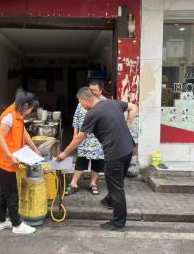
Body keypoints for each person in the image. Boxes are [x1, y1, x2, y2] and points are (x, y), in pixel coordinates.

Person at [57, 87, 138, 231]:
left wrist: (64, 154)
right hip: (128, 149)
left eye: (81, 103)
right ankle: (109, 200)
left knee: (117, 187)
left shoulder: (92, 113)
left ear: (86, 100)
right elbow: (133, 107)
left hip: (115, 154)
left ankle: (118, 223)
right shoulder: (113, 103)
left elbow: (79, 138)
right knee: (116, 183)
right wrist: (128, 126)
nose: (81, 106)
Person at [0, 88, 40, 235]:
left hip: (8, 158)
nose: (31, 112)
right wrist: (10, 156)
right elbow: (0, 137)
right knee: (12, 193)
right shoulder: (9, 116)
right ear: (26, 106)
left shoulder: (18, 114)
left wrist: (34, 147)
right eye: (32, 109)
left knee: (4, 191)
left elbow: (23, 131)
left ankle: (0, 221)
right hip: (3, 159)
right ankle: (17, 225)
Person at [66, 81, 106, 196]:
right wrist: (75, 135)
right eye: (90, 89)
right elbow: (76, 118)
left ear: (100, 91)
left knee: (97, 161)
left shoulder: (104, 103)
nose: (91, 92)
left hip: (98, 139)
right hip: (83, 137)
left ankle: (93, 183)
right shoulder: (82, 100)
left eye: (94, 90)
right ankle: (74, 184)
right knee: (81, 159)